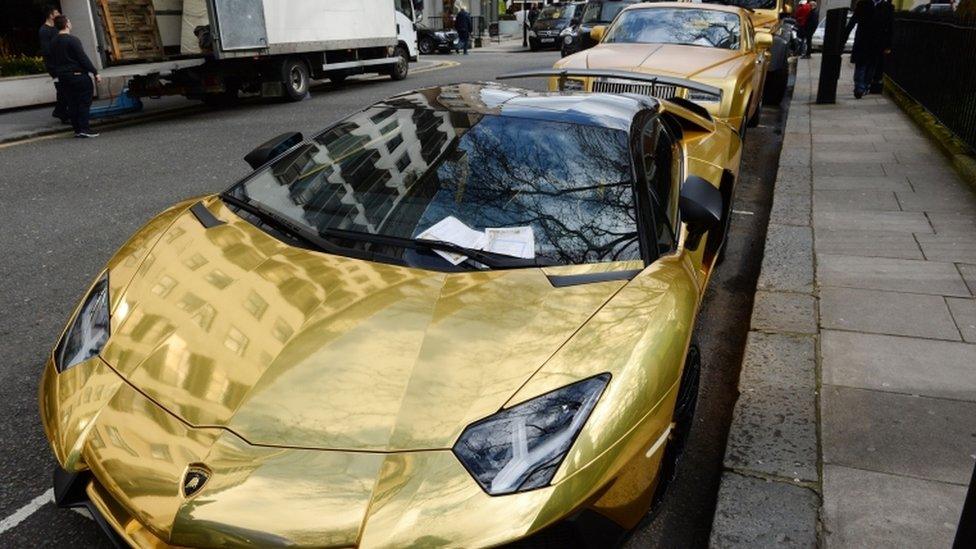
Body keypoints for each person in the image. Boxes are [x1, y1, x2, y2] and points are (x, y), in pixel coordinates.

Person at [48, 15, 102, 137]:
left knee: (72, 102)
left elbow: (52, 60)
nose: (71, 23)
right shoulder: (73, 40)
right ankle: (84, 128)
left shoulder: (53, 42)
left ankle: (77, 129)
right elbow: (82, 58)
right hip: (78, 75)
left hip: (63, 77)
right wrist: (95, 72)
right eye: (70, 21)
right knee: (83, 101)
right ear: (67, 24)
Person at [846, 0, 894, 99]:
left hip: (877, 43)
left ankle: (866, 85)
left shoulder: (887, 7)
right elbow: (853, 20)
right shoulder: (863, 3)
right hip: (863, 40)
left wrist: (888, 45)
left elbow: (890, 27)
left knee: (871, 66)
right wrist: (844, 36)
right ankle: (859, 88)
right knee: (861, 65)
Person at [39, 5, 68, 123]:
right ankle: (60, 112)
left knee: (64, 89)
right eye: (57, 13)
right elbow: (46, 50)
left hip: (62, 63)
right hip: (54, 65)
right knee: (63, 89)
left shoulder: (56, 28)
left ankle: (61, 112)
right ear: (51, 16)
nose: (59, 15)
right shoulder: (44, 30)